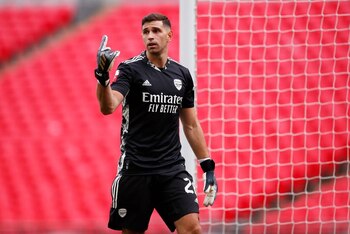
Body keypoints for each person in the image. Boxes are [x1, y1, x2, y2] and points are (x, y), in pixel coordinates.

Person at [93, 13, 218, 234]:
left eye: (156, 31)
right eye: (146, 32)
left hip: (171, 169)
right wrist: (103, 77)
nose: (150, 36)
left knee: (192, 228)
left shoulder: (182, 75)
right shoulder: (130, 69)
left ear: (169, 35)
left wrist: (207, 166)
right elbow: (108, 106)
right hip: (136, 169)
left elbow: (190, 125)